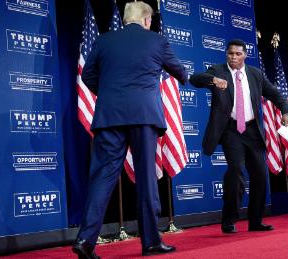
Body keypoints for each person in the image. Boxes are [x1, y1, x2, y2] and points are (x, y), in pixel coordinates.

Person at [72, 2, 188, 258]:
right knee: (146, 178)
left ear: (126, 19)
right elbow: (180, 72)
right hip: (144, 116)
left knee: (102, 178)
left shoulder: (103, 41)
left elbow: (89, 77)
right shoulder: (157, 41)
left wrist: (113, 94)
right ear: (147, 20)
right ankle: (150, 242)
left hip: (109, 116)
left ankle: (85, 240)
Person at [189, 39, 288, 234]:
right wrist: (213, 80)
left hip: (252, 130)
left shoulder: (255, 74)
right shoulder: (217, 70)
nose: (234, 57)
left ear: (245, 55)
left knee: (260, 175)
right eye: (230, 54)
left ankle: (256, 221)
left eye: (238, 54)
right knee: (235, 170)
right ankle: (229, 220)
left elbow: (275, 94)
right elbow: (195, 78)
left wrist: (286, 111)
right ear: (226, 55)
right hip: (231, 130)